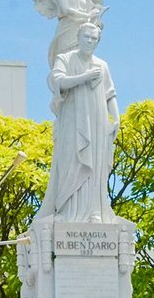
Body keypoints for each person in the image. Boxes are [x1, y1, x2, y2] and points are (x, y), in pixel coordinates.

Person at [43, 22, 119, 223]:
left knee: (95, 165)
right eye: (87, 37)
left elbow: (109, 94)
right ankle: (67, 211)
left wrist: (116, 118)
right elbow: (57, 82)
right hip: (72, 119)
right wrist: (85, 77)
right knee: (71, 161)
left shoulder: (102, 65)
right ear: (78, 37)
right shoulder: (65, 59)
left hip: (97, 121)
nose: (90, 41)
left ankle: (94, 210)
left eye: (94, 39)